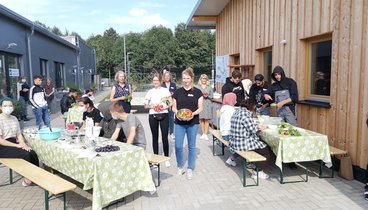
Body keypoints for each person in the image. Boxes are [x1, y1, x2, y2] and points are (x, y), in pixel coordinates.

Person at [264, 65, 299, 170]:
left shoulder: (290, 82)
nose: (278, 76)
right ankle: (283, 158)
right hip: (280, 112)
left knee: (292, 134)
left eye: (279, 74)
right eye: (276, 75)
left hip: (289, 111)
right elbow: (267, 94)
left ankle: (292, 160)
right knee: (282, 135)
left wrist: (283, 102)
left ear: (282, 73)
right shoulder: (274, 86)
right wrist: (266, 95)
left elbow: (294, 97)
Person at [226, 99, 270, 179]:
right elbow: (253, 130)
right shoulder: (245, 115)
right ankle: (258, 172)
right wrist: (261, 127)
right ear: (251, 106)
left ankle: (254, 164)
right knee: (266, 150)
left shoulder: (237, 112)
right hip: (242, 143)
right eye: (254, 106)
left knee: (260, 145)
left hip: (234, 141)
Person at [172, 67, 203, 180]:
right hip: (179, 123)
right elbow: (174, 108)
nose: (185, 80)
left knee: (191, 146)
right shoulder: (177, 92)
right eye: (184, 78)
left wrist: (192, 114)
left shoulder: (198, 92)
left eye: (187, 78)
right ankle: (180, 166)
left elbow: (200, 108)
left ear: (191, 79)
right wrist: (178, 113)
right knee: (178, 146)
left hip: (193, 123)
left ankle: (190, 168)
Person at [0, 97, 39, 186]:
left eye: (10, 105)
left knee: (32, 152)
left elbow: (18, 134)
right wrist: (17, 146)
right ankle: (28, 179)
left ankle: (36, 176)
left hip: (13, 143)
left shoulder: (14, 118)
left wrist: (23, 144)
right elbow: (1, 141)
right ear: (1, 107)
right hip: (2, 146)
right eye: (5, 106)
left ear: (13, 107)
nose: (8, 107)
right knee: (26, 154)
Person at [145, 73, 172, 167]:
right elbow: (145, 105)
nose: (155, 82)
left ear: (161, 81)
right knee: (154, 137)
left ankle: (166, 157)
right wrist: (152, 106)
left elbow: (171, 102)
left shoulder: (165, 91)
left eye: (157, 80)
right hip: (153, 115)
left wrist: (163, 107)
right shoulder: (150, 92)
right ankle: (155, 158)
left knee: (165, 137)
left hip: (164, 114)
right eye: (154, 80)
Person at [196, 74, 213, 140]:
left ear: (207, 80)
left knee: (207, 119)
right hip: (200, 104)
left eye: (205, 79)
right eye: (203, 79)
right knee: (201, 118)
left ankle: (206, 133)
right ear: (200, 79)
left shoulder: (209, 87)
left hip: (207, 104)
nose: (204, 80)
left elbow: (212, 96)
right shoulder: (197, 87)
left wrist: (207, 96)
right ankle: (203, 133)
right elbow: (196, 96)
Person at [162, 71, 177, 140]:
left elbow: (176, 94)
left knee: (171, 118)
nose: (167, 77)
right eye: (166, 76)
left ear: (170, 77)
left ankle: (171, 132)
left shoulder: (173, 84)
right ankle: (165, 131)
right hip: (164, 103)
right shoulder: (162, 85)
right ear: (164, 77)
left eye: (168, 76)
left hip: (171, 104)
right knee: (165, 118)